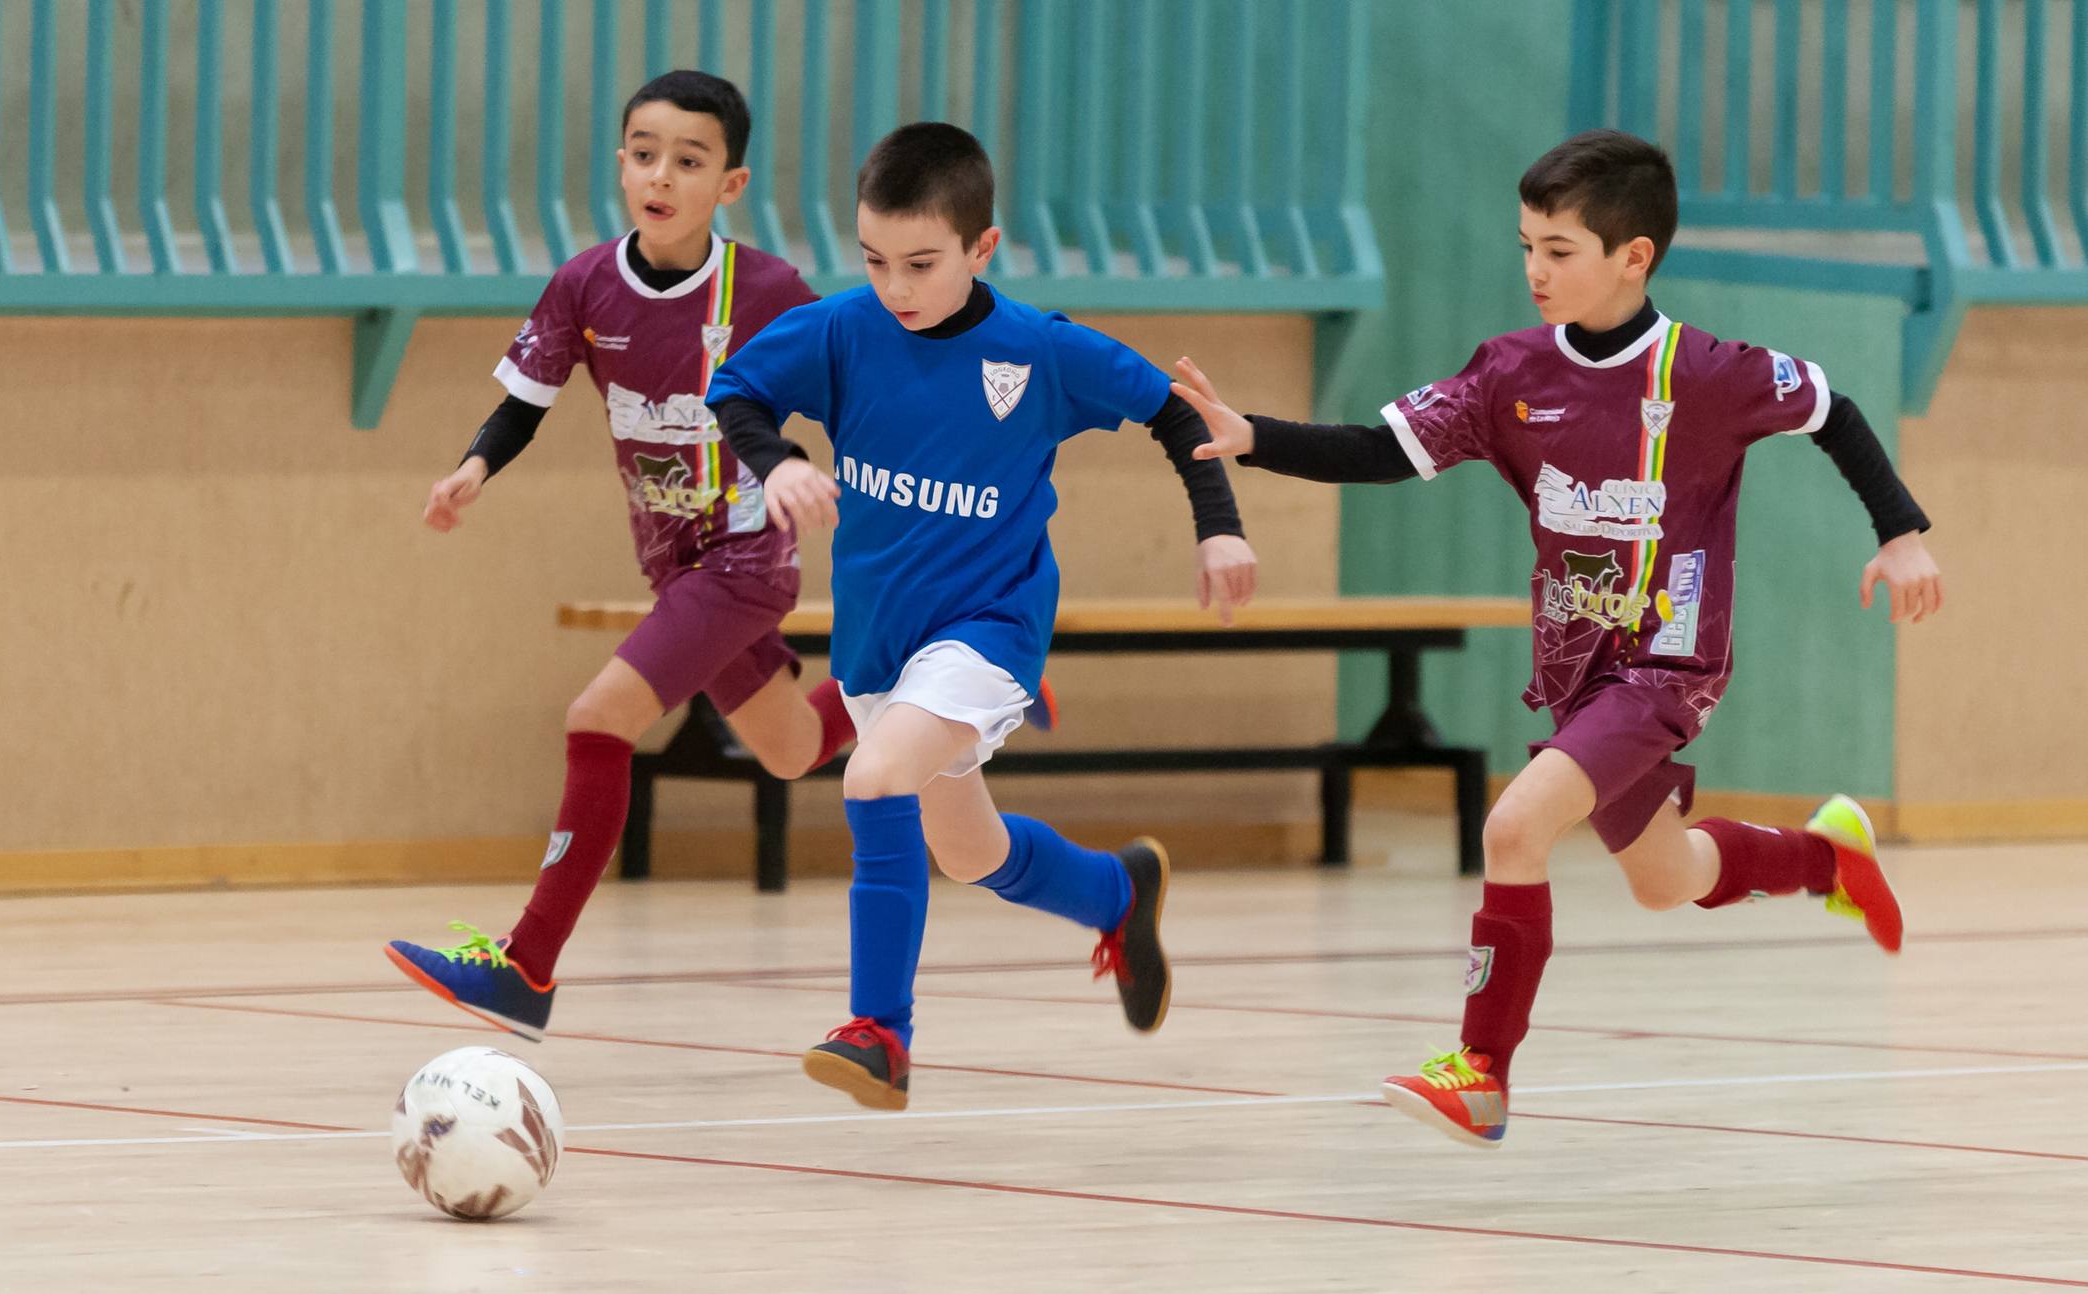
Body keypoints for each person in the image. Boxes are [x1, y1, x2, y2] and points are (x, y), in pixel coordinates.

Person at [1169, 129, 1945, 1148]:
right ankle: (1826, 858)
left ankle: (1478, 1072)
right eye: (1525, 246)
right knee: (1664, 881)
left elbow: (1831, 408)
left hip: (1666, 663)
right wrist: (1256, 437)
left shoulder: (1705, 373)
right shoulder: (1506, 375)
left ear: (1634, 257)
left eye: (1559, 250)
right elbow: (1382, 450)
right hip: (1577, 674)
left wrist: (1900, 534)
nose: (1534, 270)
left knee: (1511, 830)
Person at [704, 122, 1262, 1110]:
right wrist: (780, 460)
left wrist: (1218, 527)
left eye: (921, 264)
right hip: (881, 644)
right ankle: (1115, 894)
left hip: (990, 629)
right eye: (875, 262)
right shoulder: (842, 330)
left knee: (873, 778)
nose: (895, 288)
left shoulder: (1036, 350)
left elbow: (1173, 413)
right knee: (967, 853)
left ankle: (880, 1031)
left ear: (981, 248)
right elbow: (736, 390)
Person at [384, 71, 857, 1042]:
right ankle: (950, 678)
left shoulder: (766, 291)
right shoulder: (586, 282)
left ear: (728, 185)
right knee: (788, 748)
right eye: (644, 153)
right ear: (620, 163)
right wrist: (475, 468)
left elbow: (849, 388)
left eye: (688, 161)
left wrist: (806, 470)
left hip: (742, 560)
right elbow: (526, 397)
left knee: (598, 716)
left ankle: (526, 967)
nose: (660, 175)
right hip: (669, 561)